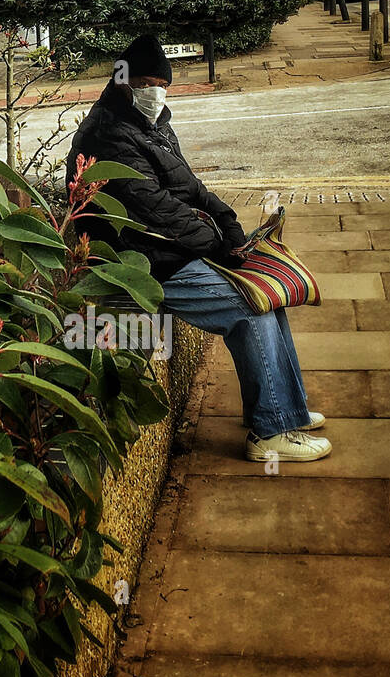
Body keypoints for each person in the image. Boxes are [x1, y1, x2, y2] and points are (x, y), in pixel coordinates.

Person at [64, 34, 330, 463]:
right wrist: (219, 246)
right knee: (250, 304)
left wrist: (230, 225)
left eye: (162, 83)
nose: (157, 92)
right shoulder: (107, 134)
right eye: (147, 82)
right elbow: (156, 211)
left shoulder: (152, 123)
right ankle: (270, 434)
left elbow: (189, 187)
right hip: (139, 262)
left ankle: (284, 410)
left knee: (268, 295)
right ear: (122, 81)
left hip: (170, 250)